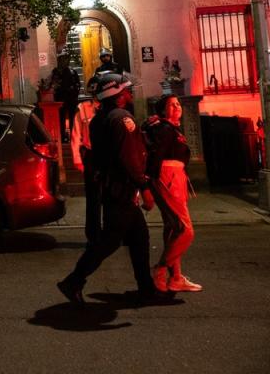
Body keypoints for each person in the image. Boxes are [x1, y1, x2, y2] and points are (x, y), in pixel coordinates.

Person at [57, 74, 169, 306]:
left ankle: (146, 288)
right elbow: (129, 158)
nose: (129, 94)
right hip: (122, 190)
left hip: (113, 188)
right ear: (116, 95)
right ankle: (74, 280)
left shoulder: (100, 119)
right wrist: (144, 186)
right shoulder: (122, 119)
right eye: (126, 90)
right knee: (109, 241)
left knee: (139, 237)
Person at [144, 95, 203, 293]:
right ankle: (160, 270)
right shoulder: (164, 129)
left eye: (178, 103)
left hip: (174, 177)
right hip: (167, 177)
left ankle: (176, 277)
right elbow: (155, 156)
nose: (178, 107)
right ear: (162, 110)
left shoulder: (168, 128)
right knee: (185, 230)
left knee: (172, 227)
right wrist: (148, 186)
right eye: (172, 104)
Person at [73, 76, 103, 244]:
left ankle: (112, 232)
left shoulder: (109, 109)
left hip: (107, 156)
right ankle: (94, 235)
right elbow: (76, 135)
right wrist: (77, 159)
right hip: (91, 156)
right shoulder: (83, 108)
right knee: (93, 198)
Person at [50, 50, 81, 143]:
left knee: (73, 118)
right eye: (63, 59)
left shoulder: (72, 71)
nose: (65, 61)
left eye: (66, 59)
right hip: (61, 99)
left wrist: (75, 91)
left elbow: (78, 84)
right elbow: (54, 84)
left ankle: (72, 136)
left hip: (71, 99)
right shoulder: (56, 71)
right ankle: (62, 137)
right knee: (61, 118)